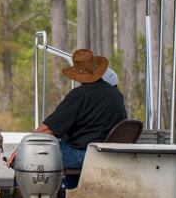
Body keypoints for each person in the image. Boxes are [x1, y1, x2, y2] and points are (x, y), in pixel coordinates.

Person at [9, 49, 126, 181]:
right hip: (108, 154)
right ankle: (70, 195)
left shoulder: (79, 95)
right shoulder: (115, 94)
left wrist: (22, 148)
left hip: (83, 154)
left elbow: (47, 129)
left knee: (27, 157)